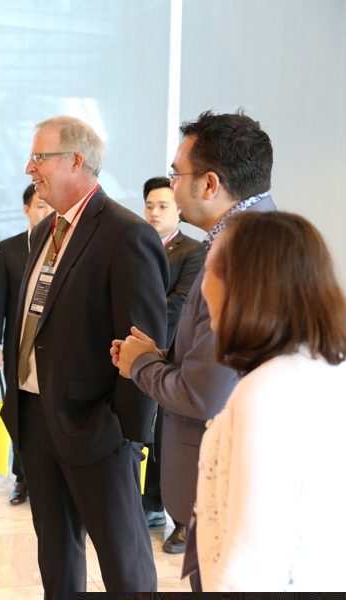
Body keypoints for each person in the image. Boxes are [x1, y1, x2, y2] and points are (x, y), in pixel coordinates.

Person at [0, 115, 168, 597]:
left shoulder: (125, 234)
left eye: (39, 157)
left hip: (97, 427)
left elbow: (143, 340)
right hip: (36, 416)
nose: (29, 168)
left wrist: (125, 433)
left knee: (123, 559)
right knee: (56, 554)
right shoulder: (43, 233)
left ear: (76, 160)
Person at [111, 111, 277, 578]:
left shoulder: (241, 252)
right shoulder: (254, 235)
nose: (171, 186)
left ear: (209, 183)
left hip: (226, 488)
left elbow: (206, 393)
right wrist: (162, 357)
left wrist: (142, 366)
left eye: (175, 174)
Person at [193, 211, 346, 591]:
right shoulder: (327, 365)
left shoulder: (269, 390)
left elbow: (251, 566)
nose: (202, 287)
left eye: (209, 270)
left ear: (245, 284)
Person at [139, 176, 206, 535]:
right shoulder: (136, 245)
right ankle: (149, 506)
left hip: (170, 354)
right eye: (149, 205)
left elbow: (178, 304)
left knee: (168, 437)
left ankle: (181, 519)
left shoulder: (194, 251)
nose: (154, 212)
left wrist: (133, 326)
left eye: (163, 206)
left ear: (179, 210)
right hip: (136, 355)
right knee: (143, 432)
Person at [0, 183, 51, 505]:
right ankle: (22, 477)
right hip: (17, 348)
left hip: (52, 348)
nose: (46, 211)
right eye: (40, 205)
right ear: (27, 210)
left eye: (49, 205)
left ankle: (48, 477)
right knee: (19, 413)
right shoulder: (9, 248)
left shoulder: (63, 246)